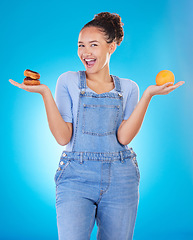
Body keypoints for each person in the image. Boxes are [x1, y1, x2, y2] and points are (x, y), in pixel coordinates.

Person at [9, 12, 184, 240]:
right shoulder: (68, 81)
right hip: (75, 177)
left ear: (111, 47)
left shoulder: (129, 88)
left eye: (94, 45)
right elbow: (63, 138)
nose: (85, 52)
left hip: (122, 178)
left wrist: (149, 95)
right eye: (81, 45)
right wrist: (44, 93)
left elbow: (123, 138)